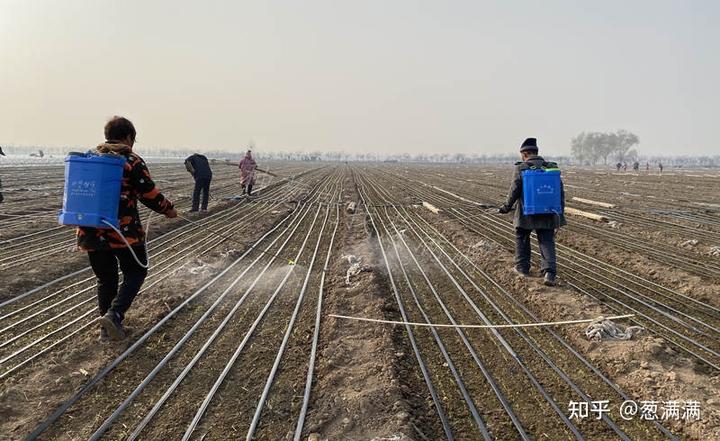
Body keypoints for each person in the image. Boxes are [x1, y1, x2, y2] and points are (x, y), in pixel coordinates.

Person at [77, 116, 177, 340]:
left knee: (106, 279)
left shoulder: (89, 158)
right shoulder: (130, 159)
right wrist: (168, 209)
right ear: (129, 137)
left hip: (90, 230)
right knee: (136, 271)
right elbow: (148, 193)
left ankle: (107, 331)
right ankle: (114, 315)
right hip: (123, 231)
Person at [498, 138, 566, 286]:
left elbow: (514, 191)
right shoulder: (550, 168)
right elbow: (559, 192)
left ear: (525, 153)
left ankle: (522, 269)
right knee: (546, 242)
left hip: (526, 214)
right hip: (549, 212)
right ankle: (549, 273)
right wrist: (560, 212)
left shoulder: (521, 168)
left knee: (522, 239)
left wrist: (506, 207)